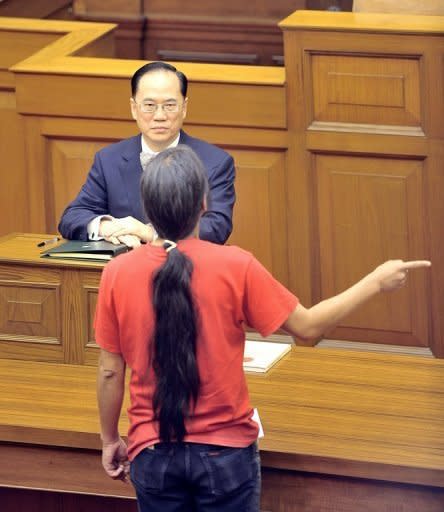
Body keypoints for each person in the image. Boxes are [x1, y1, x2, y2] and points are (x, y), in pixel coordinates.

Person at [95, 146, 431, 512]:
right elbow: (309, 326)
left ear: (148, 208)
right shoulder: (236, 265)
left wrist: (110, 438)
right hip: (226, 454)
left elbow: (111, 371)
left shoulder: (117, 272)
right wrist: (376, 282)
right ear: (204, 203)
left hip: (153, 451)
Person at [58, 61, 235, 247]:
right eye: (149, 105)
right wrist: (108, 227)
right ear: (134, 108)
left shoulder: (215, 162)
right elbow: (73, 216)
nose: (159, 116)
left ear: (184, 108)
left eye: (169, 105)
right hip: (127, 268)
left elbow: (216, 228)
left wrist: (149, 233)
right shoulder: (109, 159)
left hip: (187, 271)